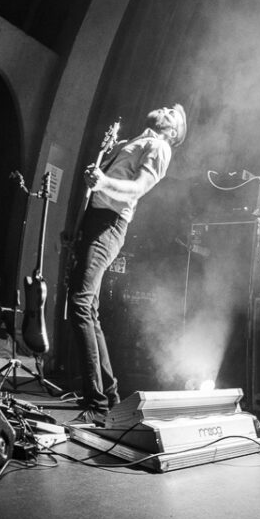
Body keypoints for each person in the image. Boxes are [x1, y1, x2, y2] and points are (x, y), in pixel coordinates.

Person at [68, 105, 187, 425]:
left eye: (172, 113)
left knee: (79, 305)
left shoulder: (159, 147)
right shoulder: (131, 142)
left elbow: (137, 189)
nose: (166, 108)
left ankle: (96, 403)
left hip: (109, 224)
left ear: (172, 132)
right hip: (94, 222)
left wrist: (103, 182)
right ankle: (109, 397)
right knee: (87, 310)